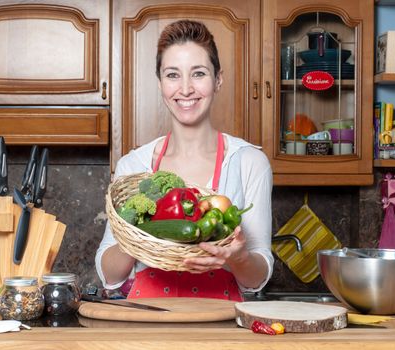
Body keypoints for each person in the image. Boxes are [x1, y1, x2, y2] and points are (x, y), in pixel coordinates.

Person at [95, 19, 273, 301]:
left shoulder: (250, 162)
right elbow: (111, 276)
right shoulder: (134, 166)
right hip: (148, 326)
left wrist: (238, 258)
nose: (186, 89)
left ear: (218, 80)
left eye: (199, 73)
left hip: (222, 328)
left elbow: (258, 278)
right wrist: (136, 235)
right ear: (160, 83)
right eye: (173, 75)